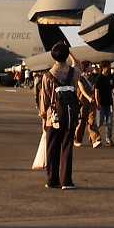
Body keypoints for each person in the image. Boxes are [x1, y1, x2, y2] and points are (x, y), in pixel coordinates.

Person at [38, 41, 79, 190]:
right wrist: (71, 53)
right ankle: (66, 180)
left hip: (53, 116)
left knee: (52, 148)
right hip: (69, 114)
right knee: (67, 147)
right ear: (67, 55)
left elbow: (44, 100)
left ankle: (52, 179)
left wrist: (43, 117)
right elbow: (78, 64)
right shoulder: (74, 73)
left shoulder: (47, 76)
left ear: (53, 56)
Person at [93, 61, 114, 147]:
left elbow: (113, 86)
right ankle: (94, 136)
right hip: (101, 104)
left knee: (110, 122)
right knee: (99, 122)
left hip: (109, 103)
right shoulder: (99, 78)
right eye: (108, 66)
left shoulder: (110, 77)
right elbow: (96, 91)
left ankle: (108, 139)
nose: (110, 68)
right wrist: (97, 102)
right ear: (103, 67)